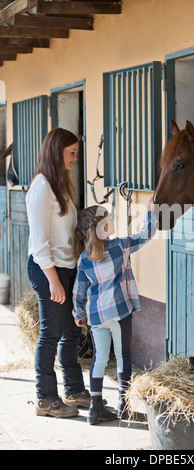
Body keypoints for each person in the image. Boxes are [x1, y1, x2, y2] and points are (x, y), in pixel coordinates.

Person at [72, 199, 156, 424]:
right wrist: (150, 212)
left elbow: (79, 291)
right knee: (122, 355)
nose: (112, 220)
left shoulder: (83, 258)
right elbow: (145, 234)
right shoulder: (119, 246)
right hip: (119, 312)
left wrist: (78, 314)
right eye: (108, 218)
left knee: (99, 358)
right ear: (103, 228)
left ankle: (95, 408)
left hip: (97, 316)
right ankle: (124, 405)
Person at [26, 128, 89, 418]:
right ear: (57, 151)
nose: (75, 157)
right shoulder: (41, 187)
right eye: (72, 152)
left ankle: (74, 391)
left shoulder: (61, 184)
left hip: (67, 267)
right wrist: (54, 281)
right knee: (50, 334)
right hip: (47, 269)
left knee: (72, 332)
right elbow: (40, 245)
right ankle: (45, 398)